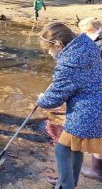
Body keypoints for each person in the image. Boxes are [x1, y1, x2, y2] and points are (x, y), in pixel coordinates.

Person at [37, 22, 102, 188]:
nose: (50, 54)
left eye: (49, 50)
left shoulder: (68, 63)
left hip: (86, 112)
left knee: (62, 150)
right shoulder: (87, 43)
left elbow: (53, 100)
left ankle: (66, 185)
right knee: (74, 148)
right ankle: (65, 184)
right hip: (96, 104)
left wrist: (41, 99)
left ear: (58, 45)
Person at [78, 17, 102, 183]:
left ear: (90, 30)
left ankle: (97, 171)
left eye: (83, 32)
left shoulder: (97, 44)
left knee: (98, 133)